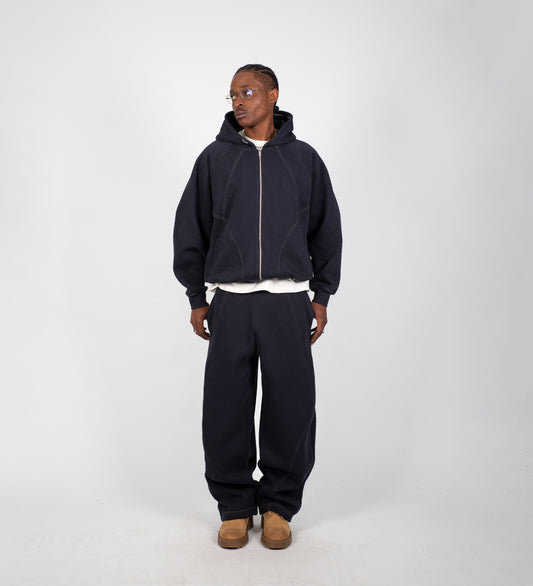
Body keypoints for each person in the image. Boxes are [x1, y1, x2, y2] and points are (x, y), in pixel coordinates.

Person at [173, 64, 342, 549]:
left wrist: (322, 294)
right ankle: (233, 507)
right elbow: (190, 228)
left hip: (289, 303)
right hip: (230, 302)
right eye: (232, 95)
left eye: (246, 92)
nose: (238, 102)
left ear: (273, 95)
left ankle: (278, 507)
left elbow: (327, 229)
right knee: (225, 407)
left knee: (291, 406)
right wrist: (196, 297)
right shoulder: (214, 159)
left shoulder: (305, 160)